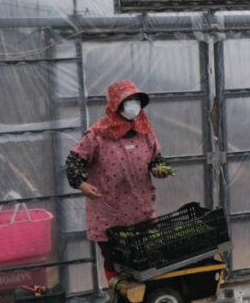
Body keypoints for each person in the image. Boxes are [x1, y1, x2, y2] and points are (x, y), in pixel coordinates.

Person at [65, 79, 171, 281]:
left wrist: (159, 168)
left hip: (141, 209)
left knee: (148, 255)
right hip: (109, 212)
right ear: (115, 104)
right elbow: (73, 162)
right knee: (116, 259)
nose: (133, 105)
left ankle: (145, 298)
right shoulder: (97, 135)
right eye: (127, 100)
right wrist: (82, 184)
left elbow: (156, 158)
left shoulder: (146, 132)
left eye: (136, 100)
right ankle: (119, 298)